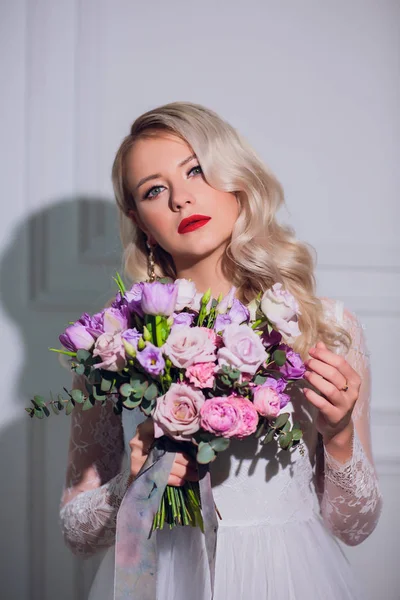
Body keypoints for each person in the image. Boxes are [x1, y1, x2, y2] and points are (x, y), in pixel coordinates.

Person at [59, 101, 383, 599]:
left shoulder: (325, 327)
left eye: (196, 170)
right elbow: (77, 535)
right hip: (160, 578)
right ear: (140, 221)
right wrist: (134, 482)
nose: (181, 200)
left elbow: (354, 527)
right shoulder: (117, 338)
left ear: (238, 180)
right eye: (155, 190)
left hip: (287, 579)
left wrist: (338, 437)